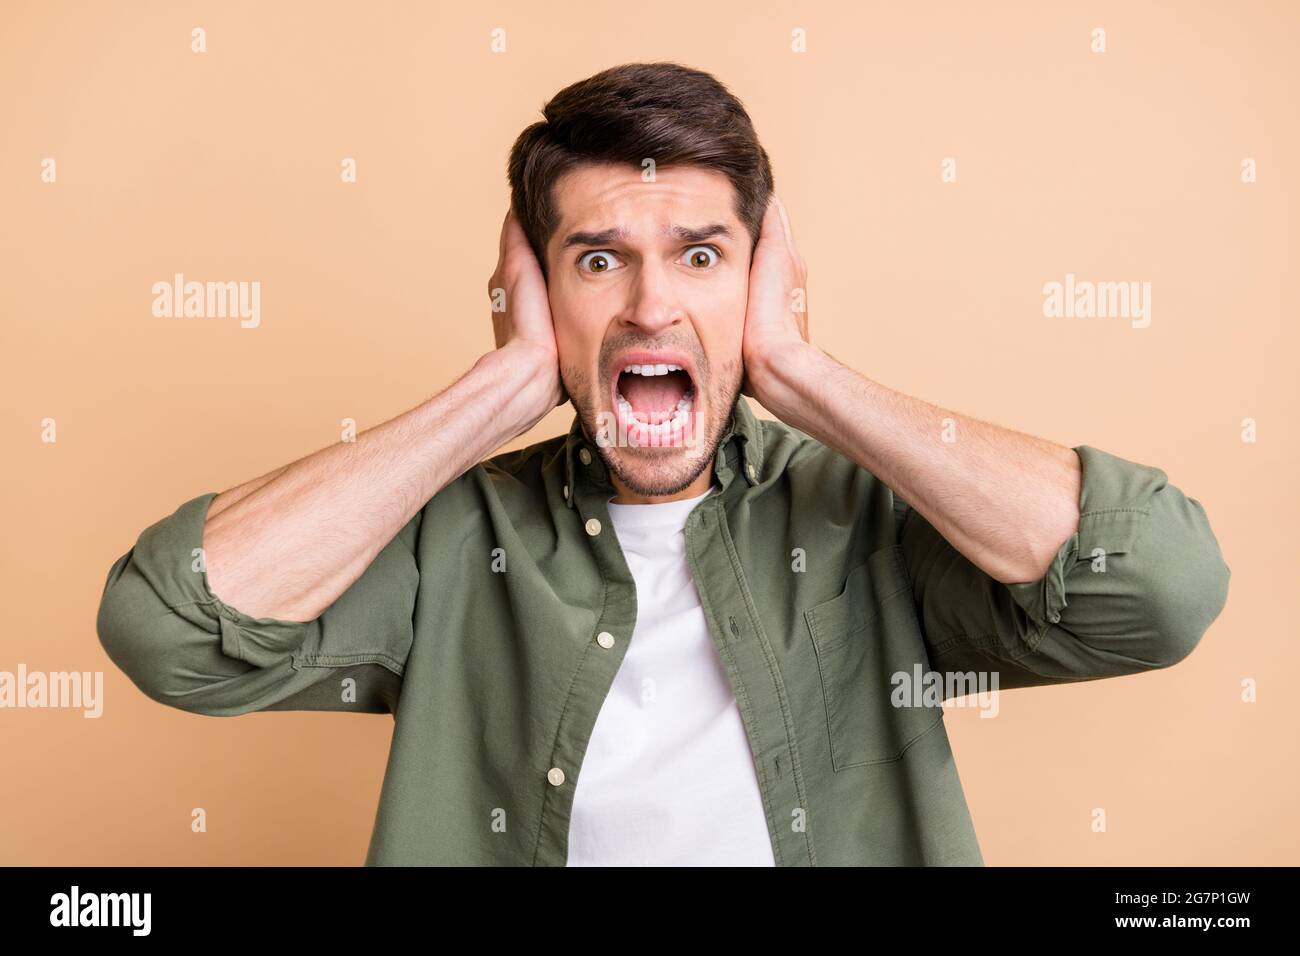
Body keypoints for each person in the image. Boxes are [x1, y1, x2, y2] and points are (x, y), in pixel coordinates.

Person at [96, 61, 1231, 866]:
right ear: (537, 288)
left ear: (761, 276)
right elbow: (171, 632)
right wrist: (501, 388)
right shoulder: (454, 542)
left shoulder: (868, 520)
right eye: (598, 259)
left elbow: (1157, 590)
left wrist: (796, 365)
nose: (650, 305)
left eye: (700, 255)